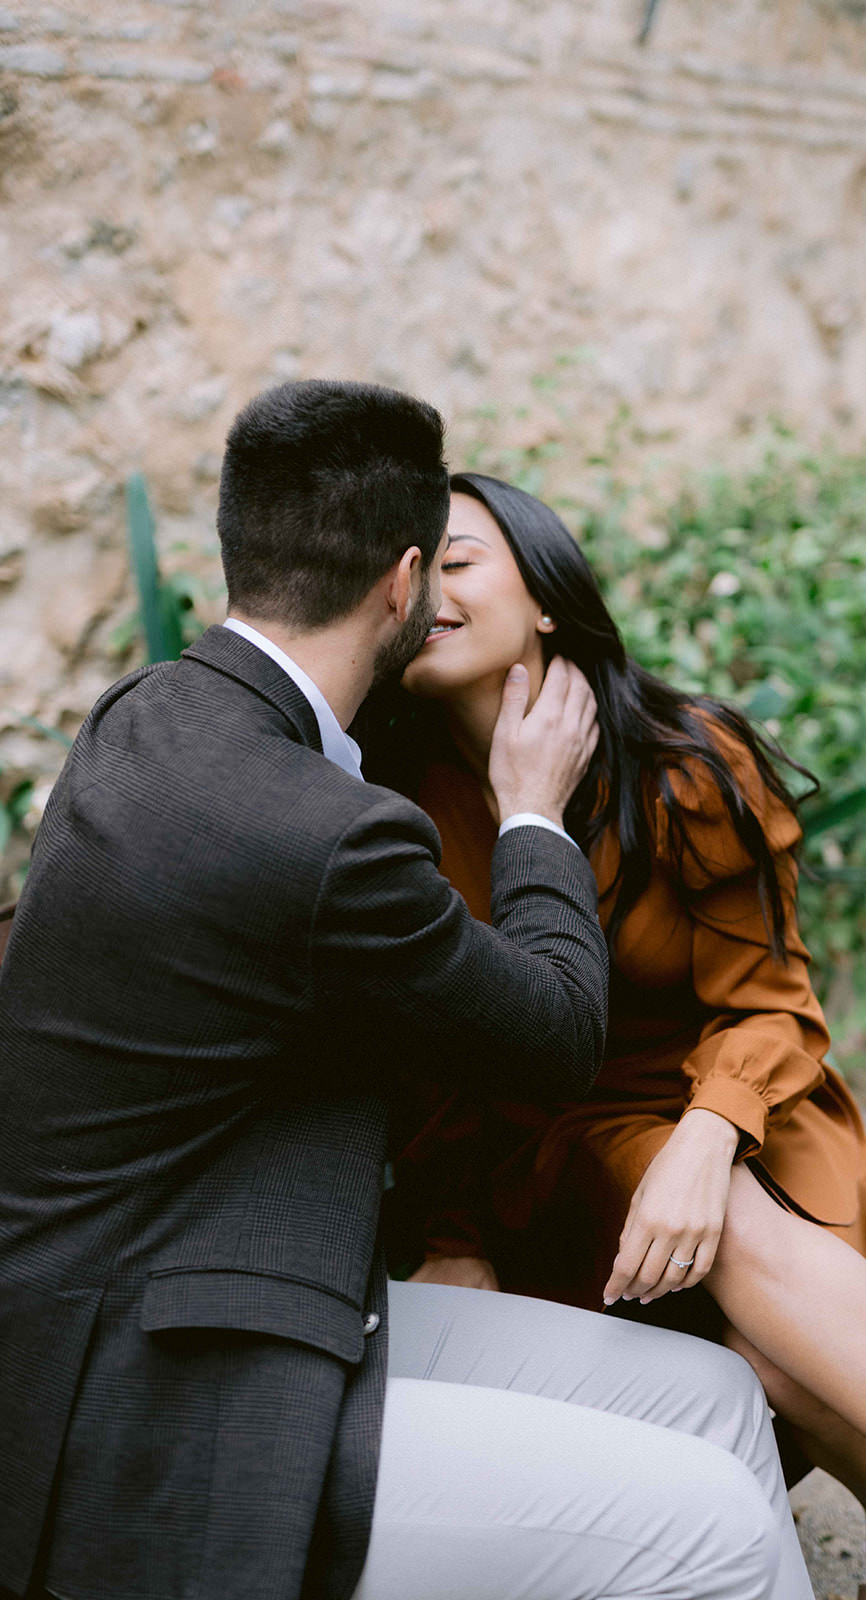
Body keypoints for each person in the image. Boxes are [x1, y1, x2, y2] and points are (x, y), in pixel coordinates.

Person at [0, 380, 813, 1600]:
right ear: (402, 581)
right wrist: (532, 808)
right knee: (714, 1526)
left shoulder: (147, 711)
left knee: (712, 1398)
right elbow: (551, 1035)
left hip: (221, 1267)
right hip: (162, 1395)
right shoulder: (324, 831)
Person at [367, 471, 866, 1600]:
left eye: (457, 559)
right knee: (741, 1349)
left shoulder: (681, 763)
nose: (428, 590)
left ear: (545, 594)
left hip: (720, 1094)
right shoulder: (391, 803)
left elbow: (770, 995)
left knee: (753, 1300)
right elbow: (431, 1062)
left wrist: (705, 1132)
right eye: (408, 573)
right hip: (531, 1148)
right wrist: (452, 1230)